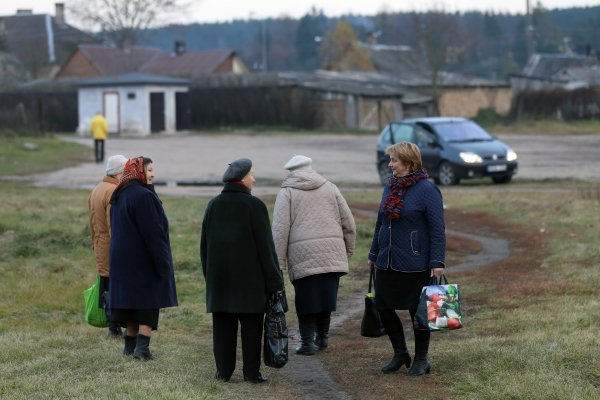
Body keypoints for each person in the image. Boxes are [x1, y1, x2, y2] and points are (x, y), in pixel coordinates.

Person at [201, 158, 284, 383]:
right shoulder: (254, 206)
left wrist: (211, 277)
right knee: (251, 329)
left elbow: (204, 247)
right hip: (251, 283)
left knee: (222, 329)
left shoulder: (213, 205)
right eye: (252, 175)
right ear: (242, 178)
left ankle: (224, 372)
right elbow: (266, 249)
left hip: (220, 281)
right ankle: (251, 373)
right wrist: (275, 282)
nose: (254, 179)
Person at [367, 142, 445, 376]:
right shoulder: (390, 186)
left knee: (417, 312)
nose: (390, 164)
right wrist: (373, 253)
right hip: (386, 260)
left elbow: (437, 229)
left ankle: (421, 359)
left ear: (409, 162)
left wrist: (437, 261)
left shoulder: (427, 190)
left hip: (415, 262)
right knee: (383, 306)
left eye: (394, 160)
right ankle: (400, 353)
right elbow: (381, 222)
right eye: (390, 160)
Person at [271, 155, 355, 355]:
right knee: (327, 296)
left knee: (306, 299)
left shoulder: (287, 192)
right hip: (332, 252)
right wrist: (348, 249)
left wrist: (278, 262)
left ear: (291, 171)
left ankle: (308, 342)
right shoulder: (330, 187)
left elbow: (280, 230)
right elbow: (348, 222)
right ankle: (323, 338)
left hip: (303, 254)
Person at [108, 157, 178, 360]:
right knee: (149, 299)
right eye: (148, 170)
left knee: (130, 300)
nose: (152, 174)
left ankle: (129, 346)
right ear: (138, 172)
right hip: (142, 259)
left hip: (121, 260)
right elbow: (154, 234)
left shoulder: (119, 195)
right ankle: (142, 348)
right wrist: (162, 263)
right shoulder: (143, 197)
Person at [88, 154, 128, 338]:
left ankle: (113, 325)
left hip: (99, 244)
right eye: (126, 171)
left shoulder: (97, 189)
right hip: (111, 244)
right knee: (114, 284)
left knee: (107, 283)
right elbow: (115, 225)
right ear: (119, 172)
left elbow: (91, 223)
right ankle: (114, 326)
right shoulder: (113, 191)